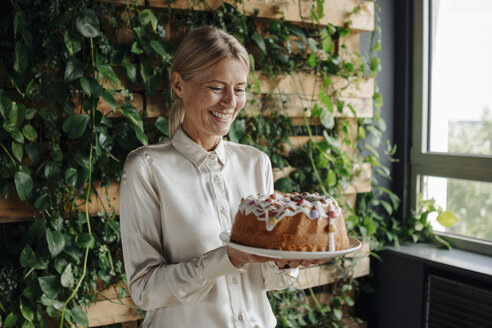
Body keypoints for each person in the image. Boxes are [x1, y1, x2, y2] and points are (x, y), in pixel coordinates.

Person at [120, 26, 319, 328]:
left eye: (239, 89)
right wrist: (228, 258)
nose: (230, 102)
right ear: (178, 84)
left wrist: (286, 261)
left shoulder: (256, 163)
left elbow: (267, 280)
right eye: (216, 88)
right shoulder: (146, 168)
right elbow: (145, 290)